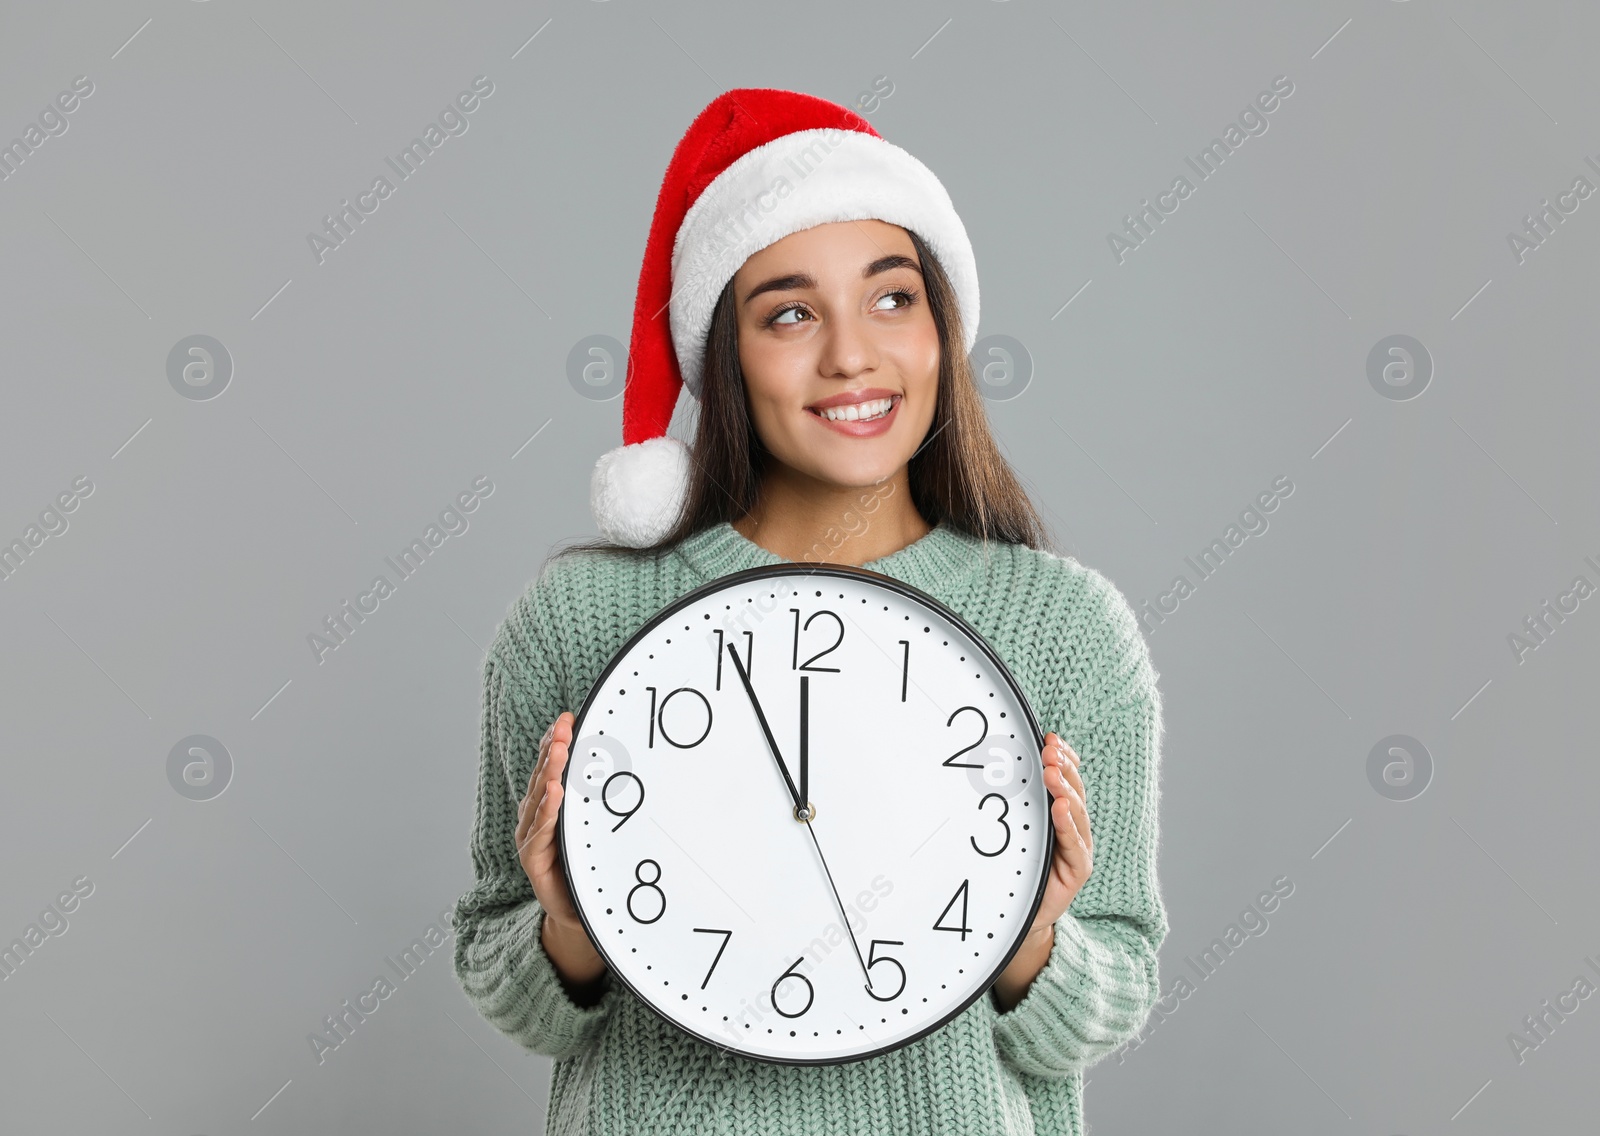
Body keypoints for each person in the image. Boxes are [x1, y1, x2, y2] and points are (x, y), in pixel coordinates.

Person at [453, 88, 1167, 1136]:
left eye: (892, 298)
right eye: (789, 312)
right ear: (724, 355)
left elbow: (1105, 1003)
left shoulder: (1064, 628)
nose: (851, 355)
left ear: (941, 324)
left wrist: (1030, 930)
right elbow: (500, 967)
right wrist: (568, 919)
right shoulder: (577, 618)